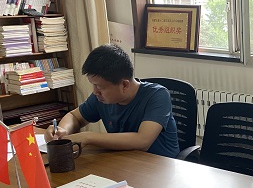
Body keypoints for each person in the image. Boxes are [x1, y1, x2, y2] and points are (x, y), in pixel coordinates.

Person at [44, 44, 180, 158]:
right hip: (124, 161)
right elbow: (74, 116)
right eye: (93, 85)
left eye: (100, 87)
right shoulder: (101, 97)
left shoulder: (157, 95)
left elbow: (143, 141)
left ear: (124, 85)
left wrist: (87, 137)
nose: (95, 91)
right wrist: (62, 131)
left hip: (160, 166)